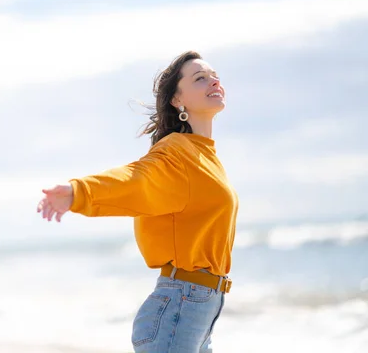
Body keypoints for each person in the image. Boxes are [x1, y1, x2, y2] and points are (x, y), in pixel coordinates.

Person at [36, 51, 239, 353]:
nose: (213, 80)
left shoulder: (205, 155)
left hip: (198, 309)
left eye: (213, 75)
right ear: (177, 100)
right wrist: (79, 192)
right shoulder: (175, 152)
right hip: (179, 308)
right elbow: (136, 181)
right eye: (200, 78)